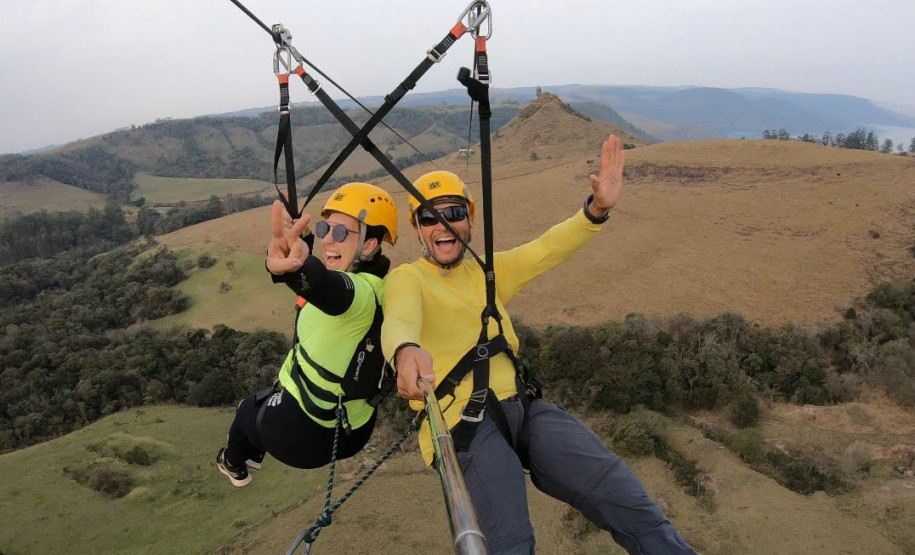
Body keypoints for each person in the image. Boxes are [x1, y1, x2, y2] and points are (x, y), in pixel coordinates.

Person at [381, 135, 695, 553]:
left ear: (469, 220)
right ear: (419, 230)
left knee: (626, 499)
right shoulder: (408, 278)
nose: (443, 226)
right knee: (509, 544)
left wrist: (597, 209)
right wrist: (404, 350)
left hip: (525, 410)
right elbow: (399, 315)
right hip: (462, 428)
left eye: (453, 213)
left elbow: (546, 249)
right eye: (429, 218)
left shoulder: (488, 271)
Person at [216, 182, 398, 487]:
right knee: (265, 408)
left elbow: (328, 287)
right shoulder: (382, 285)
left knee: (247, 411)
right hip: (354, 429)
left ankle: (233, 465)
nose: (329, 240)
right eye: (326, 228)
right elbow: (328, 282)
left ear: (369, 245)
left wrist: (293, 269)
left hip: (305, 434)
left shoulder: (360, 295)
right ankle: (254, 449)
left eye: (341, 234)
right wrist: (304, 243)